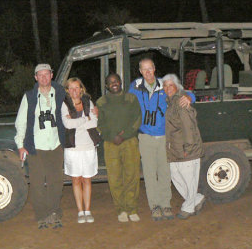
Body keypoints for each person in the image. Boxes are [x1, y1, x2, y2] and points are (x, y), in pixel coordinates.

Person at [129, 58, 194, 221]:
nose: (148, 72)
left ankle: (166, 204)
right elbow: (124, 103)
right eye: (144, 69)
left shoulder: (164, 84)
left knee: (165, 172)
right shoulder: (135, 86)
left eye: (150, 68)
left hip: (165, 136)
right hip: (145, 136)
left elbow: (186, 92)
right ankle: (155, 206)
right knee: (150, 173)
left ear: (154, 68)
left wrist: (190, 98)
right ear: (140, 71)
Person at [14, 63, 66, 229]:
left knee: (56, 182)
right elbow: (21, 122)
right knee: (37, 183)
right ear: (36, 77)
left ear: (51, 75)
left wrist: (91, 109)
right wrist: (20, 145)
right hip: (36, 146)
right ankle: (42, 215)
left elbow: (74, 105)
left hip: (55, 145)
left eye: (47, 74)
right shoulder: (29, 96)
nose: (44, 78)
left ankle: (54, 213)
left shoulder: (59, 93)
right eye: (40, 75)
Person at [97, 74, 142, 222]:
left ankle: (132, 208)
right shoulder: (101, 102)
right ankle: (121, 209)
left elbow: (137, 119)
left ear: (121, 82)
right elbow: (99, 124)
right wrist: (111, 136)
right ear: (106, 86)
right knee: (114, 177)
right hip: (111, 144)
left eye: (116, 81)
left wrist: (125, 135)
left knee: (132, 175)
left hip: (129, 142)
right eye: (110, 82)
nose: (114, 84)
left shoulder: (130, 99)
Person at [162, 74, 205, 219]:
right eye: (165, 85)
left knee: (189, 180)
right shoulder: (170, 102)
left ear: (177, 86)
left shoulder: (181, 101)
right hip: (174, 149)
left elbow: (189, 127)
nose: (167, 88)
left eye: (170, 85)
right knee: (176, 177)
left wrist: (189, 148)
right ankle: (197, 198)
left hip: (186, 149)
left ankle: (188, 207)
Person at [61, 77, 100, 224]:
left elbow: (94, 122)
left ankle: (88, 210)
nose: (74, 91)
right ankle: (80, 211)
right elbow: (67, 124)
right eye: (70, 88)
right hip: (73, 148)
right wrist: (85, 119)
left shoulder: (88, 102)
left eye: (76, 87)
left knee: (87, 179)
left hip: (88, 146)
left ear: (81, 89)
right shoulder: (64, 104)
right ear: (67, 90)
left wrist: (78, 121)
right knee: (76, 179)